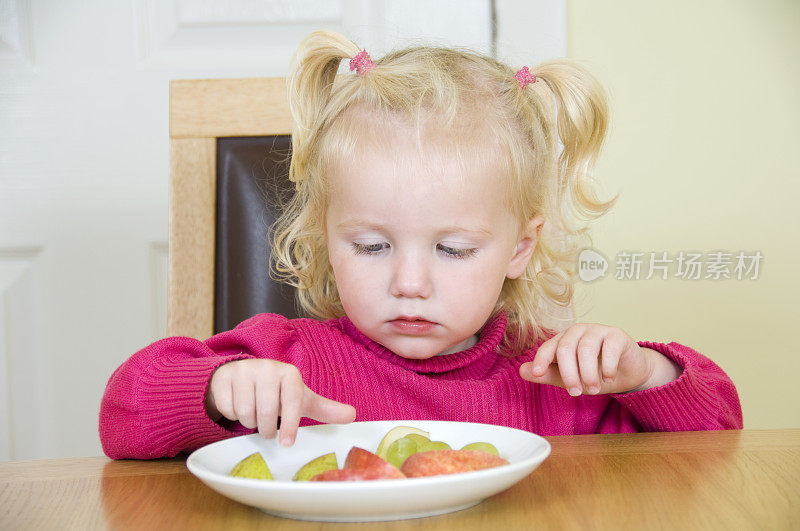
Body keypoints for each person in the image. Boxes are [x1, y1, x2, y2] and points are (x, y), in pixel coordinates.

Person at [99, 30, 741, 460]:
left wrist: (641, 372)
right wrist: (220, 389)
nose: (410, 282)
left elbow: (719, 432)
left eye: (453, 250)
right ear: (328, 236)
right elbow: (123, 414)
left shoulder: (551, 378)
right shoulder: (286, 355)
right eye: (373, 246)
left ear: (520, 248)